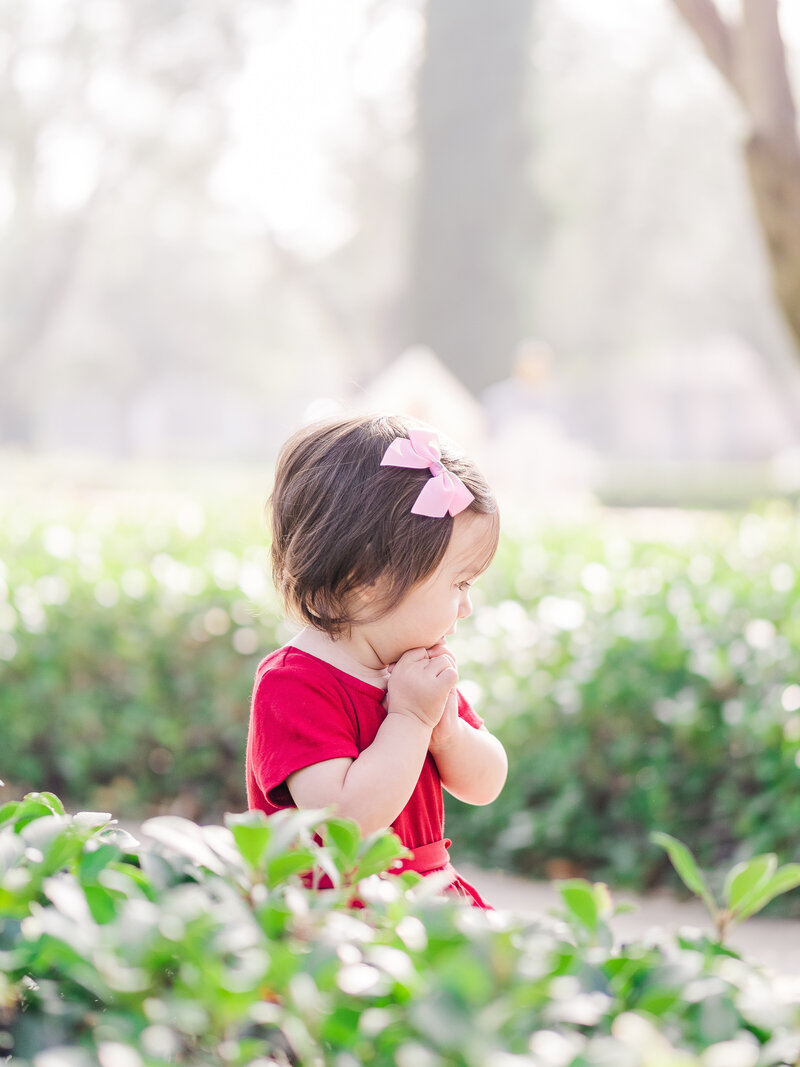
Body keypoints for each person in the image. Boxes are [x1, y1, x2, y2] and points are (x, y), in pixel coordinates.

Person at [246, 414, 508, 907]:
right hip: (339, 917)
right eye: (459, 584)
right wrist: (409, 718)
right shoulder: (294, 684)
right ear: (368, 578)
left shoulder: (414, 668)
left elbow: (487, 783)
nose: (467, 606)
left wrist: (447, 733)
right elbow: (346, 824)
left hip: (428, 893)